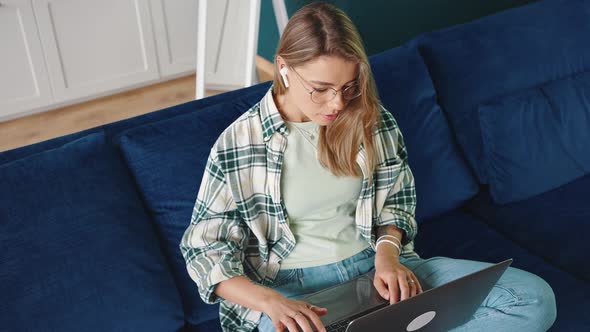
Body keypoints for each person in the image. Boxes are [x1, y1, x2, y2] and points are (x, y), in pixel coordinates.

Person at [180, 3, 557, 332]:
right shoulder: (240, 143)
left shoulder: (371, 121)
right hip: (291, 289)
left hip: (375, 265)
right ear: (283, 68)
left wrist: (388, 256)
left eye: (348, 87)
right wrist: (271, 303)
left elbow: (397, 201)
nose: (337, 104)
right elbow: (204, 250)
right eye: (320, 88)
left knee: (533, 300)